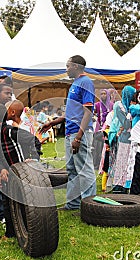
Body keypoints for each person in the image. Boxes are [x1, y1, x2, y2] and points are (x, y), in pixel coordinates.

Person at [40, 55, 96, 210]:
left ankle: (89, 206)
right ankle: (73, 203)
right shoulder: (75, 84)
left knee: (84, 170)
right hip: (70, 133)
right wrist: (53, 122)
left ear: (76, 66)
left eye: (68, 66)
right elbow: (71, 112)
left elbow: (88, 112)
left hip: (79, 134)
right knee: (72, 169)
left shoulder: (85, 82)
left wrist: (78, 137)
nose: (66, 69)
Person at [0, 103, 39, 238]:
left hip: (22, 174)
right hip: (8, 175)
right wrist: (2, 169)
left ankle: (30, 230)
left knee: (24, 203)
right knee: (8, 203)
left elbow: (33, 140)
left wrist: (33, 158)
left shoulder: (11, 131)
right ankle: (10, 233)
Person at [108, 86, 136, 194]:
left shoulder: (133, 106)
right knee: (122, 162)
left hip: (133, 140)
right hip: (124, 139)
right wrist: (131, 112)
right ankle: (119, 186)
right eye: (132, 95)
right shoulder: (119, 106)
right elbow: (126, 123)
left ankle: (128, 184)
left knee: (130, 163)